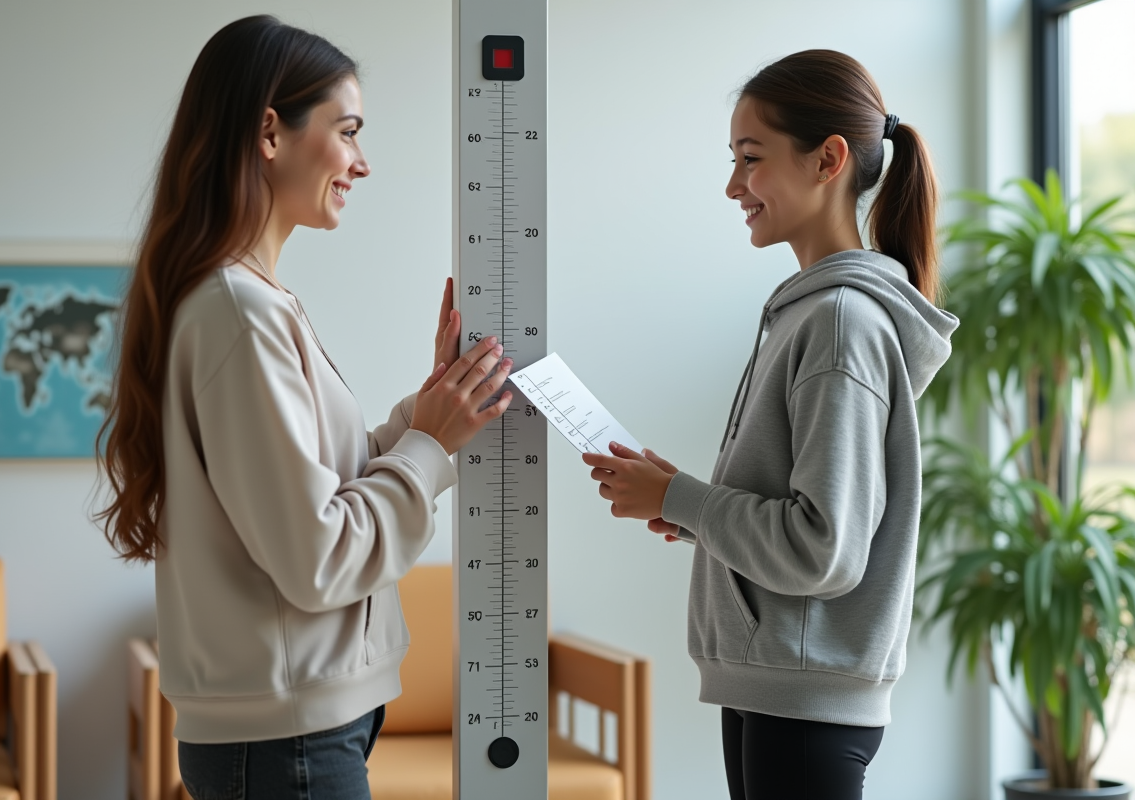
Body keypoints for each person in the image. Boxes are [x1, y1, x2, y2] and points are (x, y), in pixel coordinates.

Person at [95, 16, 512, 800]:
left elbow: (317, 486)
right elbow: (317, 557)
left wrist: (425, 419)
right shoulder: (238, 312)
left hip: (291, 732)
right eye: (346, 130)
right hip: (285, 740)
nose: (361, 161)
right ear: (268, 131)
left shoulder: (247, 302)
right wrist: (426, 445)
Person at [583, 50, 958, 800]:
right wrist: (686, 512)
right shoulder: (810, 314)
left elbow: (825, 551)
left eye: (750, 160)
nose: (733, 186)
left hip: (804, 703)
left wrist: (683, 499)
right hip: (776, 689)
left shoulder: (840, 323)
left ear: (828, 160)